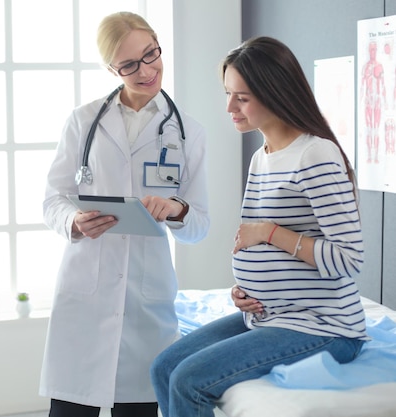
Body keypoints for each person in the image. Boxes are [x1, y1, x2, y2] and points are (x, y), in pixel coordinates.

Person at [150, 36, 367, 417]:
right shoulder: (261, 157)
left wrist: (269, 233)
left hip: (323, 325)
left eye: (243, 97)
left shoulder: (315, 155)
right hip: (270, 314)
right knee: (163, 366)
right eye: (228, 94)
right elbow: (261, 251)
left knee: (188, 381)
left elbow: (349, 259)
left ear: (276, 93)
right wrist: (245, 289)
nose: (229, 107)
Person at [40, 11, 210, 417]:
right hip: (86, 296)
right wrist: (73, 222)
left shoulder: (189, 131)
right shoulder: (83, 122)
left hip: (146, 306)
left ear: (156, 43)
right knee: (70, 410)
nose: (146, 70)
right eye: (129, 64)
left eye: (150, 54)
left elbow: (199, 225)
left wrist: (175, 209)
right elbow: (53, 199)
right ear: (111, 68)